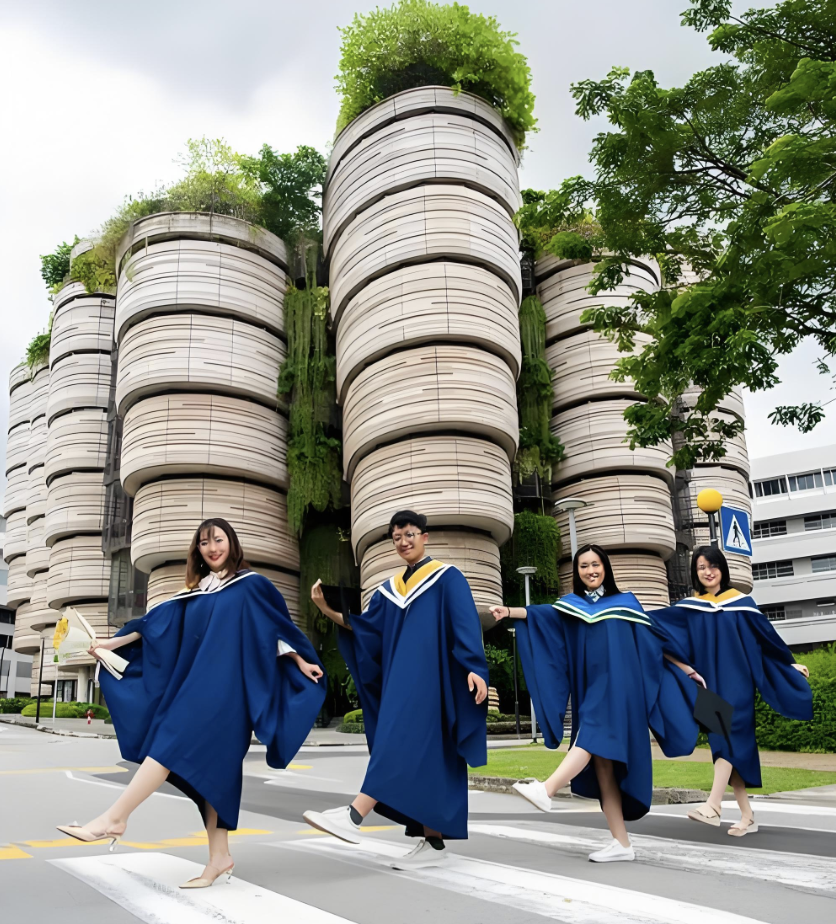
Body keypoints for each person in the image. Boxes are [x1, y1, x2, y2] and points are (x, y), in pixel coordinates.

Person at [56, 518, 325, 887]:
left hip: (229, 694)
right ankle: (220, 857)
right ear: (197, 550)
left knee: (168, 744)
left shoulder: (252, 585)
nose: (212, 548)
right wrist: (108, 644)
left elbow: (275, 630)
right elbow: (152, 625)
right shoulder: (195, 593)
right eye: (204, 542)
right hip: (196, 688)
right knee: (215, 772)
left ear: (232, 542)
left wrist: (299, 660)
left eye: (218, 540)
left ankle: (114, 818)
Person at [491, 544, 703, 862]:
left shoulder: (626, 603)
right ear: (577, 573)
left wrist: (687, 669)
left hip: (622, 687)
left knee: (590, 735)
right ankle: (622, 844)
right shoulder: (573, 607)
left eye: (595, 564)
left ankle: (547, 789)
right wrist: (509, 612)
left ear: (605, 567)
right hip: (592, 688)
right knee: (603, 766)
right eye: (583, 566)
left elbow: (656, 638)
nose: (590, 571)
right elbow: (545, 615)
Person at [303, 510, 488, 870]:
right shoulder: (389, 592)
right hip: (399, 683)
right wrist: (325, 608)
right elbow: (366, 631)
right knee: (429, 759)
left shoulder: (447, 578)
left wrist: (475, 669)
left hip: (433, 682)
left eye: (410, 534)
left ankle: (354, 815)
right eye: (397, 537)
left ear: (425, 537)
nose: (404, 542)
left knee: (396, 743)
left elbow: (465, 624)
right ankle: (434, 843)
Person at [652, 545, 812, 836]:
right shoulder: (689, 609)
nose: (708, 572)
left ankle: (713, 806)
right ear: (695, 573)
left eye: (712, 565)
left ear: (722, 569)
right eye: (701, 567)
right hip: (708, 685)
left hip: (738, 684)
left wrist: (789, 665)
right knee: (723, 746)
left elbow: (766, 641)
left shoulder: (741, 604)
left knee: (730, 735)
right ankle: (747, 815)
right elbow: (653, 632)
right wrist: (685, 669)